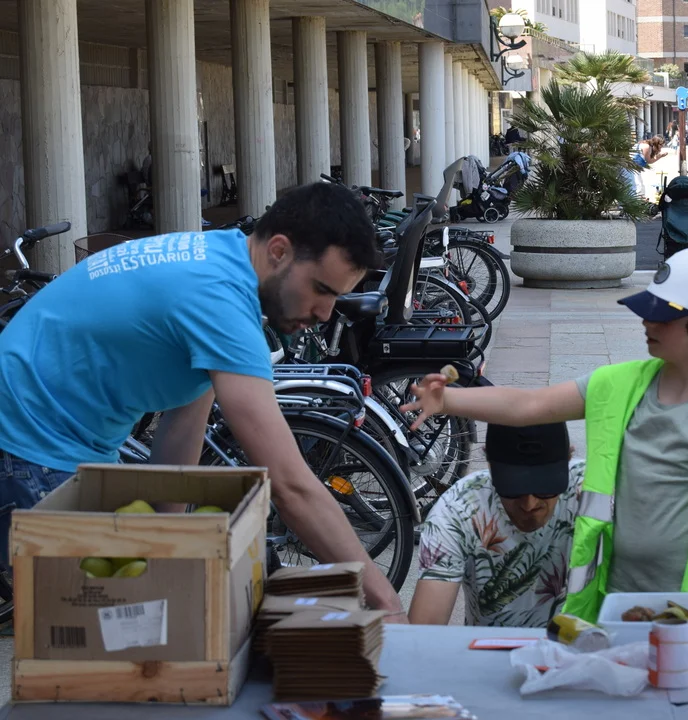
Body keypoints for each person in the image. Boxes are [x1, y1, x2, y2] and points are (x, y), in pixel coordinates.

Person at [0, 182, 407, 618]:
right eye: (322, 290)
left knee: (137, 615)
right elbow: (291, 486)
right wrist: (384, 600)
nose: (326, 313)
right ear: (279, 251)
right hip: (29, 441)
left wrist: (170, 545)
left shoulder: (221, 258)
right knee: (98, 626)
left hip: (57, 433)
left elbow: (183, 429)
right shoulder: (220, 303)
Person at [402, 248, 688, 625]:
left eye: (664, 316)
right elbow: (528, 405)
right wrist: (448, 399)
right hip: (620, 604)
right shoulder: (620, 385)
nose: (647, 321)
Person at [408, 422, 585, 627]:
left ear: (569, 458)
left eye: (545, 488)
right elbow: (425, 627)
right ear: (490, 463)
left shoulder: (595, 493)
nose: (529, 504)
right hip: (491, 645)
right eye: (513, 488)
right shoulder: (458, 509)